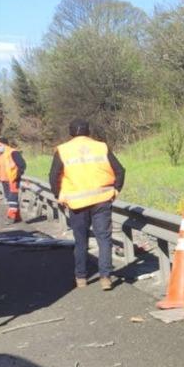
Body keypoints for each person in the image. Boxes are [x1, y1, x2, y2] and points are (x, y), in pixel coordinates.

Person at [49, 120, 125, 290]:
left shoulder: (63, 150)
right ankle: (106, 277)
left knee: (81, 241)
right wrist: (116, 190)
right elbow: (120, 170)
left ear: (71, 133)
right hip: (102, 199)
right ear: (88, 131)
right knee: (104, 239)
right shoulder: (101, 147)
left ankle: (81, 278)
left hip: (77, 203)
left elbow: (53, 176)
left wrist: (58, 195)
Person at [0, 137, 26, 222]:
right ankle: (17, 217)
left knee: (12, 198)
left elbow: (22, 165)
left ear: (5, 145)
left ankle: (11, 217)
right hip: (4, 179)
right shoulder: (0, 155)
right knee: (9, 198)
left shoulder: (13, 152)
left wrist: (17, 175)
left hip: (13, 179)